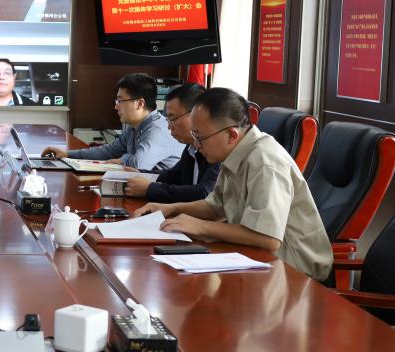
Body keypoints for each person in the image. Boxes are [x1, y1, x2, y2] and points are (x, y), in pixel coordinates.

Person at [134, 87, 332, 281]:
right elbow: (215, 206)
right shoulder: (235, 152)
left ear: (231, 135)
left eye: (200, 137)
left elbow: (268, 238)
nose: (196, 145)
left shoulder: (264, 162)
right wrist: (170, 209)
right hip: (257, 258)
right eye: (194, 136)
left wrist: (201, 227)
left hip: (294, 270)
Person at [42, 73, 183, 172]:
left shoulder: (157, 129)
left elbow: (139, 164)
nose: (116, 106)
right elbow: (108, 152)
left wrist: (122, 159)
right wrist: (67, 154)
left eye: (120, 101)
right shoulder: (134, 127)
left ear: (140, 103)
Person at [124, 83, 218, 202]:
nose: (169, 127)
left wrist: (150, 189)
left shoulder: (215, 149)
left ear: (195, 115)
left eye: (172, 119)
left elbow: (204, 194)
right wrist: (140, 173)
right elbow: (173, 176)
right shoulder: (191, 148)